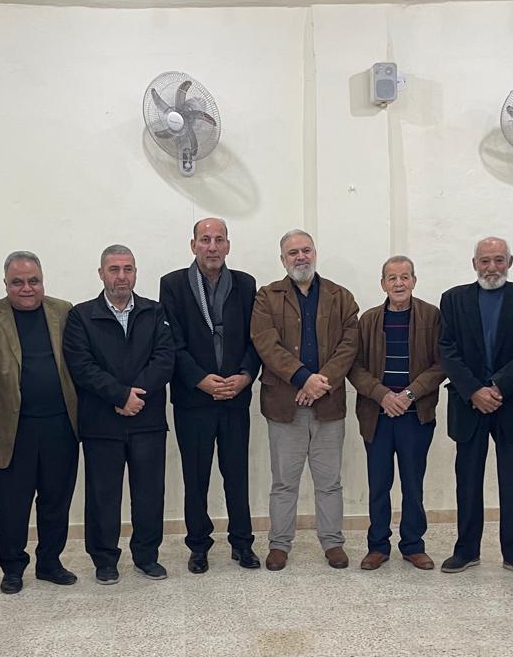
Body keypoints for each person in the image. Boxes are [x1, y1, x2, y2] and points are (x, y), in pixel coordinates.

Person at [0, 252, 79, 593]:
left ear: (43, 281)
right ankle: (13, 567)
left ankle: (50, 562)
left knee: (56, 500)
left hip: (61, 426)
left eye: (34, 281)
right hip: (11, 431)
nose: (27, 288)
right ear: (6, 284)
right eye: (18, 282)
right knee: (11, 504)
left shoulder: (64, 311)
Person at [63, 245, 175, 582]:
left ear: (136, 273)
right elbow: (81, 365)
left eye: (128, 269)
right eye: (114, 269)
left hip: (147, 419)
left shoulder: (154, 312)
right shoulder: (81, 316)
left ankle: (146, 556)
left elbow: (165, 359)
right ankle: (105, 560)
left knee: (149, 493)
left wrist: (135, 395)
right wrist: (119, 395)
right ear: (101, 274)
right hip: (102, 422)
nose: (121, 276)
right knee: (103, 496)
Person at [250, 229, 360, 571]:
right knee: (284, 482)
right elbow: (266, 344)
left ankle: (333, 542)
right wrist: (303, 378)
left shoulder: (341, 297)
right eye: (293, 252)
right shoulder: (267, 297)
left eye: (306, 250)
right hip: (285, 406)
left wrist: (319, 383)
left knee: (329, 482)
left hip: (328, 404)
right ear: (283, 259)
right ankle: (279, 544)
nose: (301, 257)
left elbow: (349, 345)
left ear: (315, 253)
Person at [159, 217, 261, 573]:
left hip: (235, 397)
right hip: (193, 400)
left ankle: (242, 544)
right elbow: (172, 342)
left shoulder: (246, 284)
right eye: (205, 240)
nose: (212, 247)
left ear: (228, 245)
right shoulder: (173, 284)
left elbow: (256, 338)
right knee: (196, 477)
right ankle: (198, 546)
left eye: (219, 240)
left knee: (237, 475)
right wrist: (200, 379)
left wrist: (245, 376)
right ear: (193, 245)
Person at [438, 236, 513, 579]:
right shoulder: (453, 300)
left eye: (498, 260)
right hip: (468, 404)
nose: (491, 267)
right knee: (467, 481)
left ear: (509, 262)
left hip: (510, 402)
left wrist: (498, 387)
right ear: (474, 264)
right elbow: (447, 350)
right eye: (485, 261)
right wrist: (474, 391)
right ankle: (466, 551)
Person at [348, 255, 445, 571]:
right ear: (383, 284)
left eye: (405, 277)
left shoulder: (432, 316)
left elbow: (441, 364)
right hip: (377, 417)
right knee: (378, 484)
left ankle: (413, 545)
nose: (399, 283)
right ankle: (377, 546)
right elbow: (354, 366)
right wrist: (383, 395)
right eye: (392, 278)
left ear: (414, 281)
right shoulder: (368, 320)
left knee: (413, 484)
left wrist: (409, 394)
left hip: (416, 416)